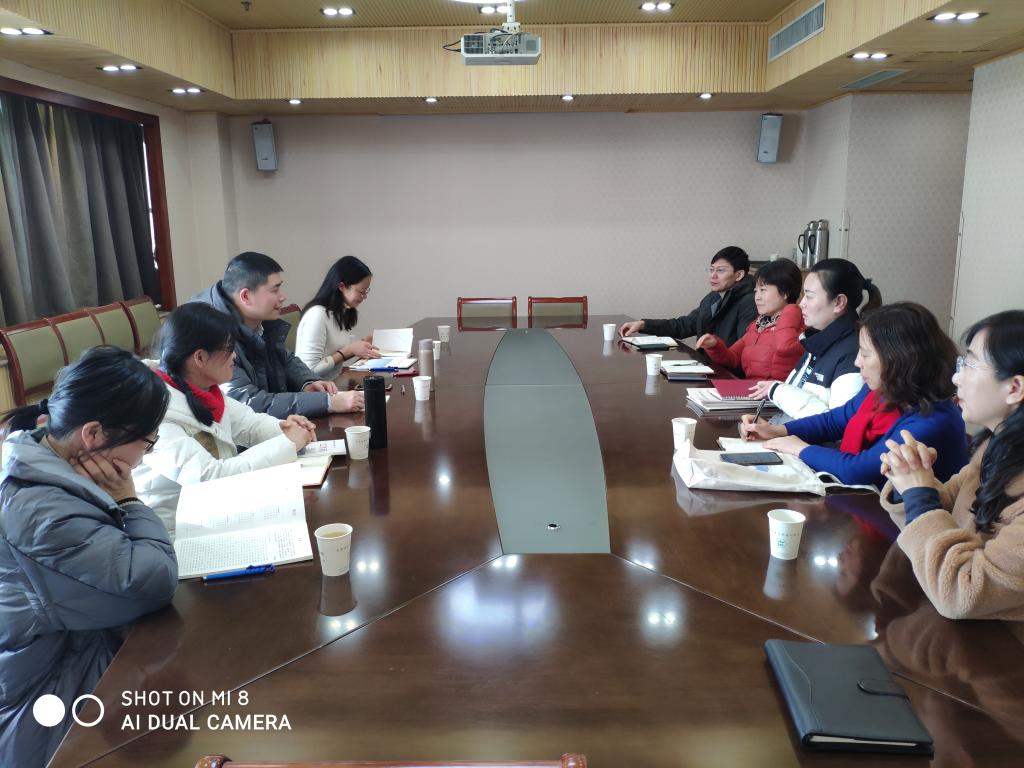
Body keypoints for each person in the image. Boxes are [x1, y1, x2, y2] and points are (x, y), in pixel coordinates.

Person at [0, 347, 177, 768]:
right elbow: (150, 584)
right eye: (147, 442)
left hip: (73, 656)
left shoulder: (43, 462)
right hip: (46, 711)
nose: (146, 455)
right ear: (93, 434)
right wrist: (130, 500)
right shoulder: (40, 508)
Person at [878, 310, 1024, 622]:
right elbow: (945, 507)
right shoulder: (994, 449)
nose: (956, 377)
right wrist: (911, 477)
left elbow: (962, 593)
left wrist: (919, 494)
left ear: (1014, 388)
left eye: (970, 364)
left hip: (999, 648)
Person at [135, 303, 317, 538]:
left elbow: (250, 424)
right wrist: (287, 443)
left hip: (212, 515)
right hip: (174, 535)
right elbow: (209, 479)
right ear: (200, 357)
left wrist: (283, 428)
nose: (234, 356)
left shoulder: (203, 390)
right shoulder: (155, 412)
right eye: (229, 349)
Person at [741, 302, 969, 488]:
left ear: (899, 360)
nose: (857, 362)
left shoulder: (933, 421)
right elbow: (836, 420)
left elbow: (857, 470)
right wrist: (778, 431)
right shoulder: (886, 389)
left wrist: (800, 449)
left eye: (866, 355)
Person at [191, 251, 364, 419]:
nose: (283, 297)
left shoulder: (257, 319)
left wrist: (308, 382)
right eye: (275, 290)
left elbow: (283, 357)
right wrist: (328, 402)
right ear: (246, 296)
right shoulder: (212, 335)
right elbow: (248, 403)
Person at [748, 258, 883, 419]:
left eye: (809, 296)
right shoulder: (817, 338)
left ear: (839, 302)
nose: (801, 304)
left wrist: (778, 391)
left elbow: (838, 424)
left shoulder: (854, 353)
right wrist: (776, 391)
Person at [619, 246, 757, 346]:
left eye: (720, 271)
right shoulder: (713, 298)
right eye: (711, 269)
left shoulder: (750, 302)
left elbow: (744, 349)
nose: (713, 275)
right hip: (707, 366)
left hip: (726, 373)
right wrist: (644, 324)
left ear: (739, 275)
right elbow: (684, 326)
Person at [694, 258, 805, 379]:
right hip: (751, 389)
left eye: (763, 290)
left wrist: (791, 309)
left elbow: (785, 349)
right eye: (756, 291)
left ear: (785, 293)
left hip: (775, 390)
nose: (757, 297)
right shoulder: (758, 325)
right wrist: (714, 346)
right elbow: (733, 359)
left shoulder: (799, 325)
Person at [296, 256, 380, 381]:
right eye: (361, 291)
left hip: (335, 382)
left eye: (366, 291)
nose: (364, 297)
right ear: (341, 286)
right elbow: (309, 370)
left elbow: (335, 352)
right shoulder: (317, 315)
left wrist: (360, 346)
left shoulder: (341, 311)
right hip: (316, 388)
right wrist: (348, 350)